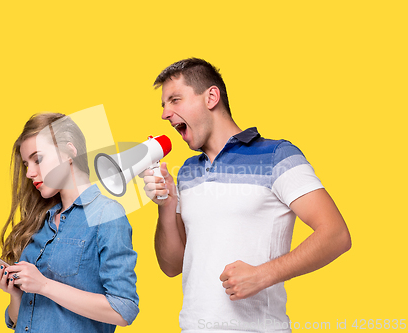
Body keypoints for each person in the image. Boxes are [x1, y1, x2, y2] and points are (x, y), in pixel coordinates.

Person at [142, 58, 351, 332]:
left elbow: (336, 234)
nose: (165, 114)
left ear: (211, 97)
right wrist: (166, 205)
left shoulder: (277, 155)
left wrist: (263, 275)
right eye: (164, 105)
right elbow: (172, 266)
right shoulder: (187, 173)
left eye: (175, 100)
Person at [0, 113, 139, 332]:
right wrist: (15, 293)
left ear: (69, 151)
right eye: (26, 164)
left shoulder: (106, 214)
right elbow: (17, 320)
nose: (30, 173)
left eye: (37, 159)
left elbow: (123, 309)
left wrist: (44, 285)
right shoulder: (39, 222)